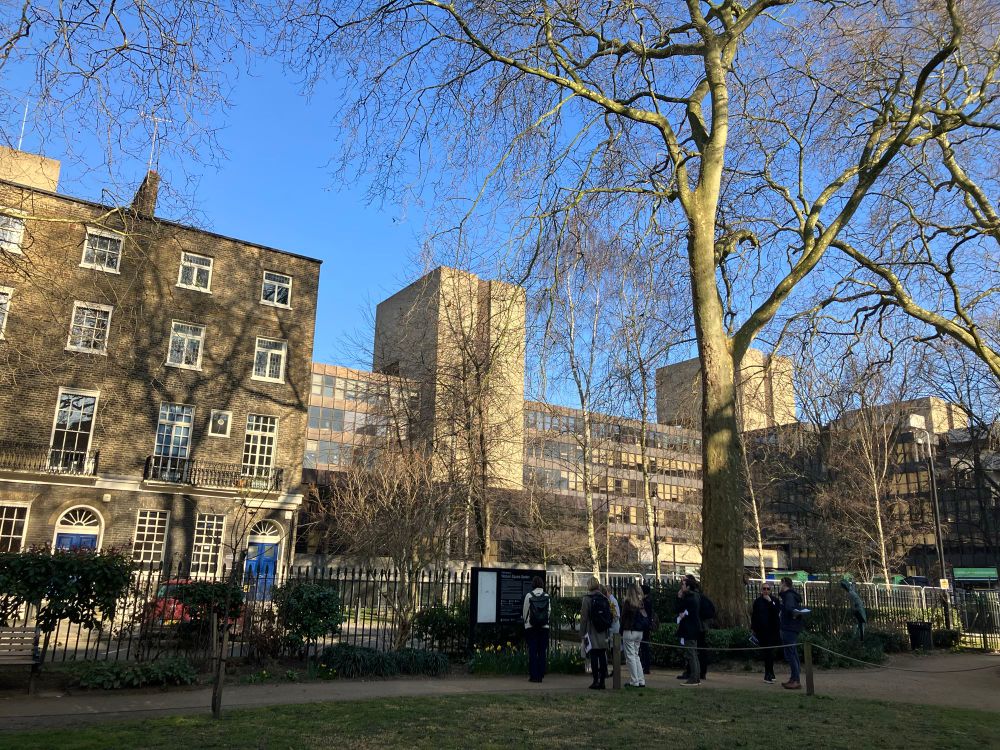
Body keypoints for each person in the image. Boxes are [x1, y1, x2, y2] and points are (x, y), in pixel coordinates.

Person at [580, 577, 611, 689]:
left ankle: (595, 680)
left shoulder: (587, 599)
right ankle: (602, 681)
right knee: (602, 655)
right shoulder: (604, 598)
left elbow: (584, 618)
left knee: (593, 655)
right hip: (602, 631)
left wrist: (582, 633)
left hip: (591, 630)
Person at [751, 581, 781, 683]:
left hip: (772, 630)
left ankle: (770, 673)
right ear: (761, 590)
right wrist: (753, 629)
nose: (766, 591)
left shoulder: (775, 600)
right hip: (762, 631)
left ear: (770, 590)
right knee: (766, 652)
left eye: (768, 589)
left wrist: (769, 602)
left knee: (770, 652)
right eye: (764, 589)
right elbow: (754, 616)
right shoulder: (757, 601)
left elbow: (776, 611)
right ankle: (768, 674)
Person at [522, 575, 550, 683]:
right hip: (544, 627)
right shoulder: (546, 596)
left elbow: (525, 612)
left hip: (531, 627)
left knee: (533, 651)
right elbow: (549, 612)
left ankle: (533, 675)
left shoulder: (529, 596)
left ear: (533, 584)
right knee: (542, 651)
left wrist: (526, 623)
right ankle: (541, 674)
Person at [619, 582, 648, 688]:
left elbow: (623, 619)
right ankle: (641, 680)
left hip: (629, 631)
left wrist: (620, 631)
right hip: (639, 632)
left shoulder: (627, 603)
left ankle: (634, 681)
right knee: (636, 656)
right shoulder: (640, 603)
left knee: (630, 657)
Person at [675, 575, 702, 686]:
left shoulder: (689, 597)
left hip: (689, 628)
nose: (682, 586)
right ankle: (696, 676)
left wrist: (679, 597)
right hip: (694, 627)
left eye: (683, 585)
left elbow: (679, 608)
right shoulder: (696, 596)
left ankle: (694, 678)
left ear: (688, 587)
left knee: (691, 653)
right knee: (693, 653)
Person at [778, 576, 804, 690]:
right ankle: (794, 678)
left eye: (780, 584)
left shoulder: (788, 596)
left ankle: (795, 680)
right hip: (792, 628)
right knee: (793, 653)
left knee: (791, 654)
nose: (779, 586)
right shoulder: (792, 596)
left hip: (788, 628)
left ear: (784, 583)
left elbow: (790, 608)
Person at [601, 584, 622, 675]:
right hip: (611, 627)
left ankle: (616, 669)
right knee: (612, 649)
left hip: (614, 627)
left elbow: (616, 615)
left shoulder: (613, 601)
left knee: (614, 649)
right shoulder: (609, 600)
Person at [639, 581, 654, 675]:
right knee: (644, 646)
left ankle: (646, 666)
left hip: (644, 626)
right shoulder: (647, 601)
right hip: (646, 625)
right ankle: (645, 665)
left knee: (644, 646)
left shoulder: (645, 602)